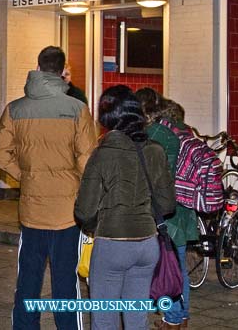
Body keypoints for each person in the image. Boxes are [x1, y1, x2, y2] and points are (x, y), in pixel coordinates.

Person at [0, 46, 96, 330]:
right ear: (62, 72)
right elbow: (88, 160)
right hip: (67, 212)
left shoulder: (15, 109)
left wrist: (25, 176)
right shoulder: (77, 109)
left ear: (37, 69)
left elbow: (1, 154)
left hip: (32, 210)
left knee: (28, 278)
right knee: (65, 280)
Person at [75, 85, 176, 330]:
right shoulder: (154, 150)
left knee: (104, 319)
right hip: (147, 245)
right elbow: (167, 204)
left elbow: (84, 210)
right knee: (136, 319)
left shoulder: (102, 154)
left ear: (107, 117)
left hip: (112, 243)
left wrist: (98, 225)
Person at [136, 88, 197, 330]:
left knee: (167, 268)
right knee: (178, 265)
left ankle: (172, 318)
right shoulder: (182, 131)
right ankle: (179, 316)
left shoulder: (157, 135)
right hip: (181, 209)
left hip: (166, 212)